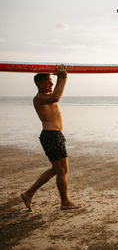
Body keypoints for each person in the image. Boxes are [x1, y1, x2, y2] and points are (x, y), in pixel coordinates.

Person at [21, 64, 82, 211]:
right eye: (48, 81)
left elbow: (54, 95)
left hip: (55, 135)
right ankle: (65, 202)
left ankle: (28, 193)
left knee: (56, 170)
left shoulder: (44, 97)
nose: (51, 83)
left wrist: (59, 77)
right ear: (39, 83)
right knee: (62, 170)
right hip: (51, 136)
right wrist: (63, 77)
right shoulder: (40, 98)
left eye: (52, 80)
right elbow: (57, 96)